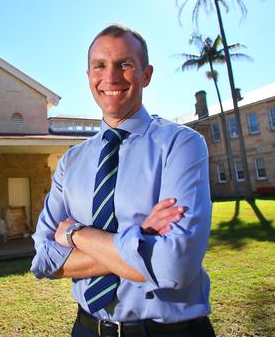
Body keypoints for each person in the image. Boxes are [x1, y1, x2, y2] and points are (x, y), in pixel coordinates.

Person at [30, 24, 215, 336]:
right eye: (99, 65)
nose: (110, 77)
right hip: (87, 328)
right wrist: (142, 237)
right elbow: (44, 261)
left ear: (146, 75)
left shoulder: (181, 145)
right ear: (88, 75)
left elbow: (175, 268)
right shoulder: (71, 163)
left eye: (124, 64)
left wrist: (77, 234)